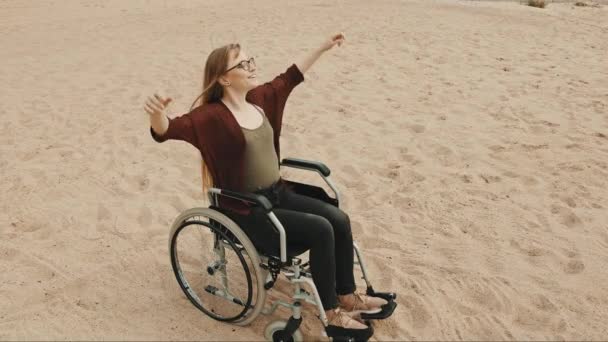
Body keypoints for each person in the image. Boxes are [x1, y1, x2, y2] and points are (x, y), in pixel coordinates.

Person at [144, 33, 391, 339]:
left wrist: (322, 47)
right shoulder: (210, 117)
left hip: (278, 194)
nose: (251, 66)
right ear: (223, 78)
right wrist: (156, 114)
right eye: (242, 63)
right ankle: (330, 313)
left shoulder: (260, 100)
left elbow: (291, 76)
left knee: (338, 218)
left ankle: (346, 294)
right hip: (248, 210)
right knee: (321, 228)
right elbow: (168, 129)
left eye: (251, 60)